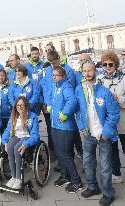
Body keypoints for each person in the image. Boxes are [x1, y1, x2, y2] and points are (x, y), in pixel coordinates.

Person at [75, 61, 120, 206]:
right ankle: (92, 187)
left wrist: (106, 132)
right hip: (88, 134)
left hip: (103, 135)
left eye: (90, 70)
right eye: (85, 71)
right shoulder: (79, 90)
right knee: (88, 163)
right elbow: (78, 111)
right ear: (82, 72)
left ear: (95, 71)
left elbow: (114, 114)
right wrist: (82, 127)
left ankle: (108, 193)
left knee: (105, 166)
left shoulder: (104, 92)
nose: (87, 73)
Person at [98, 51, 125, 197]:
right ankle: (116, 173)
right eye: (105, 64)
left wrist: (118, 98)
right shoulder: (100, 80)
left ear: (116, 65)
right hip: (109, 124)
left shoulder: (124, 80)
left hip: (123, 122)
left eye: (111, 64)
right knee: (112, 150)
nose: (108, 67)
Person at [45, 66, 83, 194]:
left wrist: (65, 113)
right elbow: (50, 96)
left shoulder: (66, 86)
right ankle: (65, 175)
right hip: (55, 125)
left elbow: (72, 101)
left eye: (57, 75)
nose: (54, 77)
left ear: (63, 76)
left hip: (65, 126)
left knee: (66, 154)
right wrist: (49, 104)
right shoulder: (56, 86)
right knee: (59, 152)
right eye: (53, 75)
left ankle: (77, 181)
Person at [1, 96, 40, 190]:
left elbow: (35, 135)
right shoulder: (14, 116)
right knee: (10, 147)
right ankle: (13, 177)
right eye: (18, 105)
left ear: (26, 106)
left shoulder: (32, 116)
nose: (20, 107)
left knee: (16, 149)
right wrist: (5, 141)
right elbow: (7, 130)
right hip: (16, 136)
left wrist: (26, 144)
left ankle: (18, 178)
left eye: (22, 105)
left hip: (27, 137)